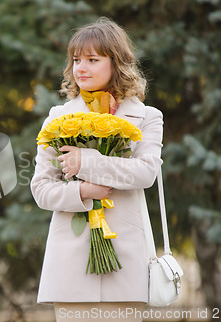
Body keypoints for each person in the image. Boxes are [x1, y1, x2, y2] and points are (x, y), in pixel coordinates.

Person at [30, 17, 164, 322]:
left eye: (92, 59)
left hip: (127, 264)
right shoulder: (57, 118)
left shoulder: (147, 117)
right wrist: (82, 191)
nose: (81, 68)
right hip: (70, 267)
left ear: (115, 63)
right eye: (77, 60)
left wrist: (86, 161)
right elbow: (41, 189)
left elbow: (145, 173)